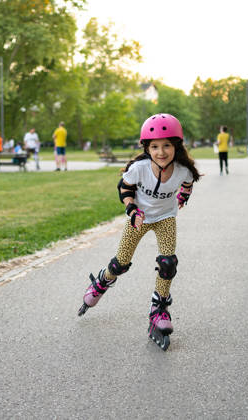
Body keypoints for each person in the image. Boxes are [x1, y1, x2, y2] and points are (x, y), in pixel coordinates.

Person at [77, 113, 200, 351]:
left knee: (168, 263)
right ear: (147, 148)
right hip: (139, 220)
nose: (161, 152)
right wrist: (132, 208)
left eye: (167, 146)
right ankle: (102, 281)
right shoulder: (139, 168)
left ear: (177, 147)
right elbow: (124, 187)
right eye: (155, 147)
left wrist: (183, 196)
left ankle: (159, 308)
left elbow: (188, 183)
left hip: (165, 219)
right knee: (121, 263)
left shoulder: (183, 170)